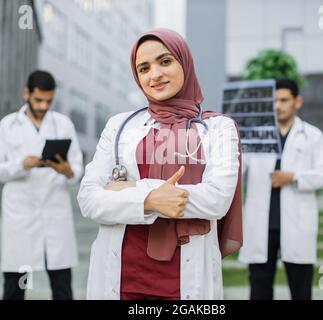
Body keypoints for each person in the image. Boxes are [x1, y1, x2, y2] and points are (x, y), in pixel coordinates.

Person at [77, 28, 243, 300]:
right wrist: (150, 200)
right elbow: (88, 197)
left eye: (165, 62)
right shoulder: (119, 126)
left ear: (184, 62)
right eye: (144, 68)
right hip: (121, 278)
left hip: (185, 283)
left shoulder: (218, 128)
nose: (155, 75)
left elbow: (217, 199)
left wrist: (128, 188)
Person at [0, 70, 83, 300]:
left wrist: (66, 170)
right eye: (38, 100)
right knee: (15, 288)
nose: (43, 106)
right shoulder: (8, 125)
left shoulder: (63, 124)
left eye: (48, 101)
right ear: (26, 93)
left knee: (62, 289)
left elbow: (78, 170)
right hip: (21, 218)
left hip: (55, 215)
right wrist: (22, 164)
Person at [239, 78, 323, 300]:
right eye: (274, 101)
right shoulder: (256, 135)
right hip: (262, 225)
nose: (278, 106)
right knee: (259, 289)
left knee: (301, 289)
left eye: (284, 100)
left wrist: (293, 178)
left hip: (297, 223)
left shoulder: (312, 135)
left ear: (297, 101)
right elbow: (237, 168)